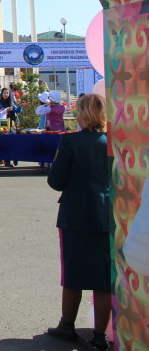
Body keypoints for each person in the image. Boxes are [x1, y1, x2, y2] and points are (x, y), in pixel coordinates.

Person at [45, 94, 112, 351]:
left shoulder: (71, 142)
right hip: (105, 215)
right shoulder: (112, 143)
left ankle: (67, 325)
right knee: (103, 279)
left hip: (75, 215)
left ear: (82, 114)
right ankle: (100, 335)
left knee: (73, 274)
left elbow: (56, 181)